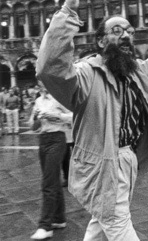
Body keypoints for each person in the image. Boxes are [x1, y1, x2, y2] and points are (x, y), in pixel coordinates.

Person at [36, 0, 148, 241]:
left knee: (102, 221)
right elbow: (51, 67)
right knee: (119, 225)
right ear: (100, 41)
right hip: (101, 164)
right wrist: (68, 10)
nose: (126, 36)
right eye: (116, 31)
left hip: (128, 160)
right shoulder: (86, 75)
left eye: (130, 31)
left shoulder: (140, 72)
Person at [28, 84, 73, 240]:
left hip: (57, 139)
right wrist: (36, 118)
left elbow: (74, 116)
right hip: (43, 139)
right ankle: (59, 219)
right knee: (53, 180)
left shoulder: (59, 97)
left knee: (48, 183)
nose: (41, 83)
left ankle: (45, 225)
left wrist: (56, 116)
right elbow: (32, 126)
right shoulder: (38, 100)